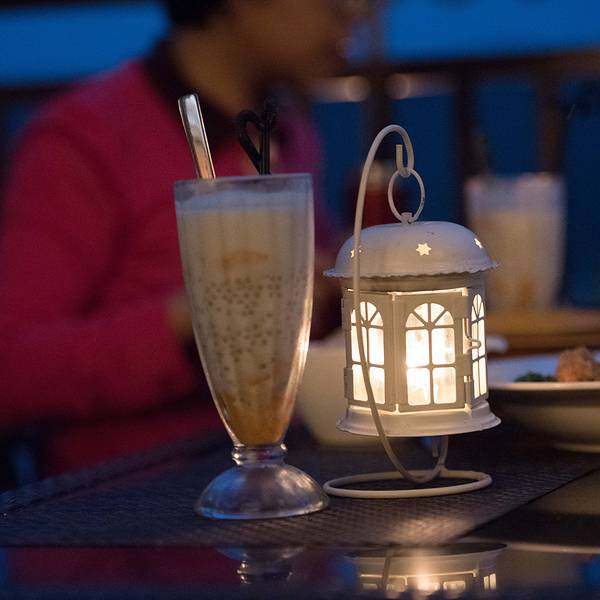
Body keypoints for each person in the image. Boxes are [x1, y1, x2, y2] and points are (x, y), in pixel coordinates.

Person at [0, 0, 370, 476]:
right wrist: (188, 322)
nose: (357, 10)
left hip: (286, 471)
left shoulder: (284, 131)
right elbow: (11, 367)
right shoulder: (83, 140)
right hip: (126, 500)